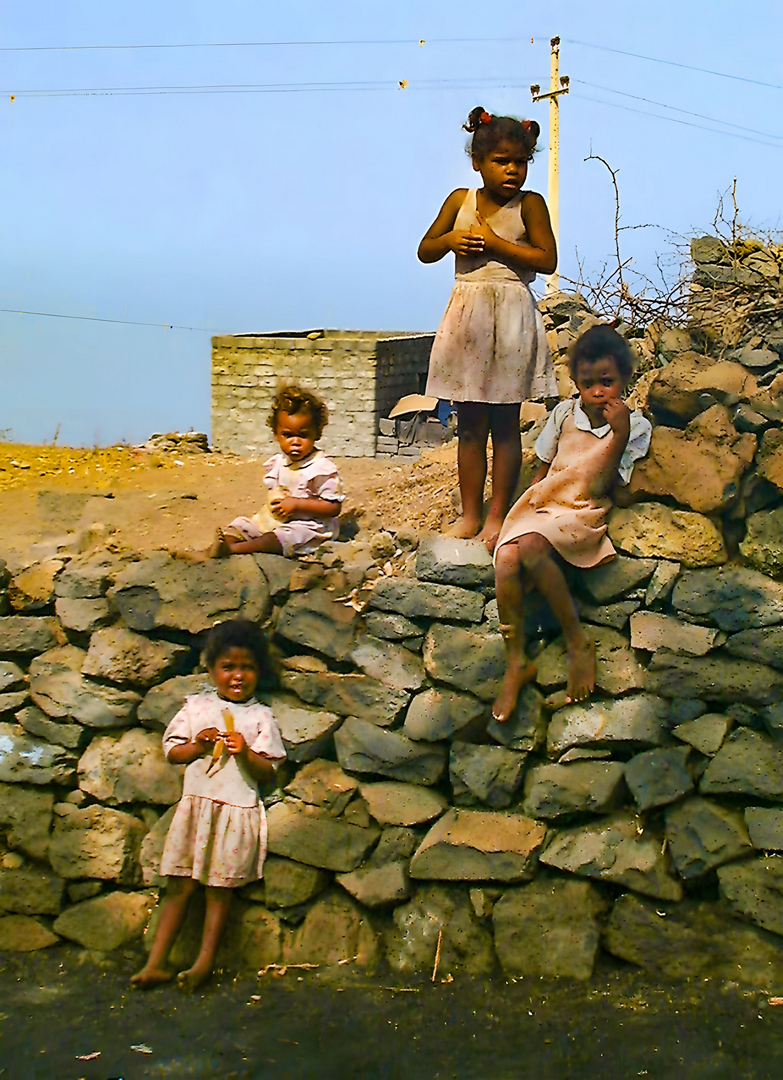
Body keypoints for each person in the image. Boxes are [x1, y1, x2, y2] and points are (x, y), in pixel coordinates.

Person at [491, 324, 652, 720]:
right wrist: (521, 514)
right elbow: (542, 471)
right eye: (587, 383)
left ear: (625, 378)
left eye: (607, 383)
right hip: (547, 504)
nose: (597, 392)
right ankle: (516, 661)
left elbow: (604, 484)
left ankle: (577, 641)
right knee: (507, 558)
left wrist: (618, 434)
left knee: (531, 548)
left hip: (583, 509)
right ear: (575, 382)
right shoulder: (564, 413)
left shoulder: (635, 426)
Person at [418, 106, 558, 551]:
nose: (512, 170)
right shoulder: (459, 201)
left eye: (520, 162)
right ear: (477, 162)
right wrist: (450, 241)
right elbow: (425, 249)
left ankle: (497, 516)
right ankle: (470, 515)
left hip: (511, 320)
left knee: (506, 425)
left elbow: (547, 259)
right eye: (501, 161)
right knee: (470, 426)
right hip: (469, 322)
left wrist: (496, 244)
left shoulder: (530, 205)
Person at [131, 619, 285, 992]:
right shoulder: (197, 708)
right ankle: (155, 963)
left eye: (247, 667)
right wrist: (199, 745)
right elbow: (173, 752)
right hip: (196, 812)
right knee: (179, 886)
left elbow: (268, 769)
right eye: (228, 666)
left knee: (219, 890)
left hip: (234, 811)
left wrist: (245, 752)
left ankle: (204, 962)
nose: (237, 675)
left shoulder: (260, 717)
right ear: (212, 669)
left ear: (259, 671)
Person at [181, 384, 344, 560]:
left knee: (277, 538)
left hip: (309, 526)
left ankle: (233, 550)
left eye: (303, 435)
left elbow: (333, 507)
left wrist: (297, 504)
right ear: (276, 435)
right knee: (241, 525)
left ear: (317, 433)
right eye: (287, 435)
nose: (295, 442)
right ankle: (214, 549)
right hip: (277, 519)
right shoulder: (279, 463)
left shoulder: (320, 468)